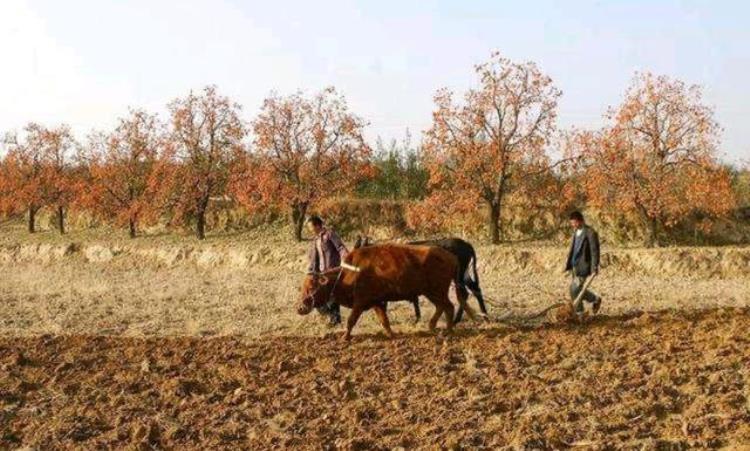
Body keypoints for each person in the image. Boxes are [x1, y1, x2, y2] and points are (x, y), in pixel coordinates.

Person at [307, 215, 348, 325]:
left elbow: (340, 247)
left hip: (332, 271)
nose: (309, 229)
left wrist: (346, 259)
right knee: (318, 296)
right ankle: (332, 316)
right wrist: (311, 271)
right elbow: (313, 257)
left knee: (333, 296)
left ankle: (335, 320)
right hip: (321, 272)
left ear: (317, 225)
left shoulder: (329, 234)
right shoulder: (315, 239)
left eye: (310, 227)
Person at [564, 211, 602, 314]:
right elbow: (573, 249)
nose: (573, 225)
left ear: (580, 220)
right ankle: (595, 299)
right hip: (574, 266)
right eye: (572, 223)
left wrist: (594, 267)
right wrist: (568, 266)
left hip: (584, 266)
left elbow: (595, 251)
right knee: (577, 289)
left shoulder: (590, 232)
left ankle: (579, 313)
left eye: (574, 222)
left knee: (574, 289)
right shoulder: (576, 232)